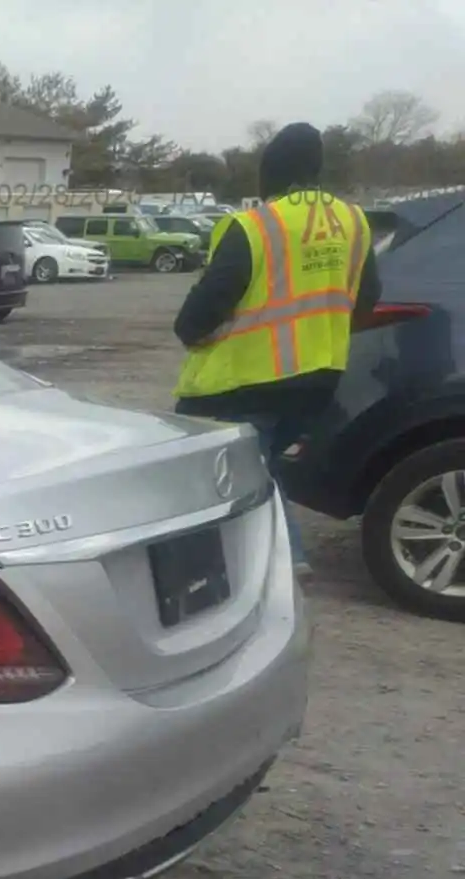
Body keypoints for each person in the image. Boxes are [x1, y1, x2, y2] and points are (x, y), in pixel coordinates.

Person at [171, 122, 380, 576]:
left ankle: (265, 563)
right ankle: (283, 557)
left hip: (241, 382)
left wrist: (191, 331)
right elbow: (366, 299)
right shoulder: (353, 221)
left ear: (271, 171)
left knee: (203, 471)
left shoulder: (256, 225)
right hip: (319, 381)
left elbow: (201, 312)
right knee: (257, 464)